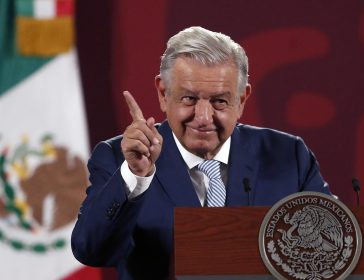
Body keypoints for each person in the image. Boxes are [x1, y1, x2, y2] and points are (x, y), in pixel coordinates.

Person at [71, 26, 332, 279]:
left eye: (219, 101)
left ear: (241, 100)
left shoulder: (288, 156)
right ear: (163, 94)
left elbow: (337, 246)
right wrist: (135, 177)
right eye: (189, 99)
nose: (204, 118)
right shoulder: (121, 159)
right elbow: (92, 251)